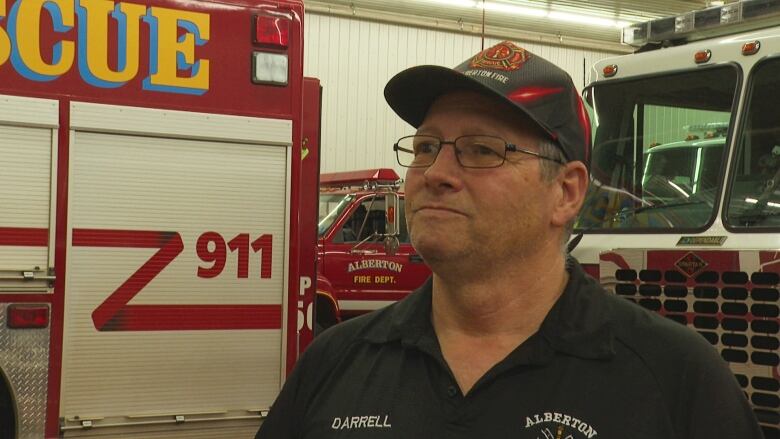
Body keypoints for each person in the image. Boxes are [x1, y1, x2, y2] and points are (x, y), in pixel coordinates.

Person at [256, 41, 764, 439]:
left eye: (481, 150)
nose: (436, 172)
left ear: (566, 193)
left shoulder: (676, 381)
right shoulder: (335, 364)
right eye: (427, 146)